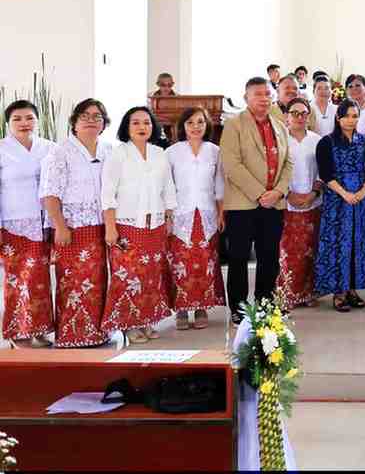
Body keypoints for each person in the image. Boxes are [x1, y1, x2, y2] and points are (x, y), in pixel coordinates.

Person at [100, 106, 177, 344]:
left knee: (151, 276)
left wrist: (169, 219)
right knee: (128, 276)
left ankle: (147, 320)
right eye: (136, 123)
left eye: (147, 122)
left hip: (155, 226)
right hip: (127, 226)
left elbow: (169, 188)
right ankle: (129, 324)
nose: (142, 127)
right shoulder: (118, 154)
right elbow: (107, 193)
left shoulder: (159, 153)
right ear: (127, 127)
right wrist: (110, 227)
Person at [220, 77, 294, 324]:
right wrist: (260, 193)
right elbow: (232, 164)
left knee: (269, 257)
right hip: (243, 203)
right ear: (246, 97)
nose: (264, 98)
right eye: (258, 94)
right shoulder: (234, 124)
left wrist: (278, 192)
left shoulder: (280, 125)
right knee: (239, 257)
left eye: (267, 94)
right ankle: (239, 308)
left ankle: (265, 303)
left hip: (274, 204)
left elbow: (288, 163)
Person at [40, 99, 112, 348]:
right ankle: (72, 335)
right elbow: (50, 193)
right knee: (72, 282)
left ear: (104, 123)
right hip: (72, 228)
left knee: (98, 280)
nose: (91, 120)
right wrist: (59, 226)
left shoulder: (108, 150)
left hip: (100, 226)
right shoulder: (60, 152)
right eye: (85, 116)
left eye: (97, 116)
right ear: (74, 122)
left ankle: (97, 333)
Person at [0, 101, 56, 347]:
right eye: (17, 119)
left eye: (29, 118)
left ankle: (39, 330)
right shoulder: (2, 149)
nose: (24, 123)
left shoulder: (50, 148)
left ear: (37, 120)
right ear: (8, 123)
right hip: (13, 223)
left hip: (43, 222)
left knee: (39, 279)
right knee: (17, 279)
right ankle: (17, 331)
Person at [166, 107, 226, 331]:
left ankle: (202, 307)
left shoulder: (215, 151)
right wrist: (168, 215)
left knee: (205, 262)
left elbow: (220, 184)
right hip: (181, 215)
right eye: (190, 122)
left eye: (200, 122)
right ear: (183, 126)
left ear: (207, 125)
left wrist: (221, 213)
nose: (195, 127)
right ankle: (181, 309)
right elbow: (167, 186)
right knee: (180, 263)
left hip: (207, 214)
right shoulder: (171, 152)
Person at [316, 99, 365, 312]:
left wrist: (363, 191)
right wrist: (345, 194)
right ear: (338, 117)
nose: (351, 120)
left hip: (360, 200)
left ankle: (353, 289)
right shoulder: (326, 142)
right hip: (337, 201)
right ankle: (339, 292)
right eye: (347, 116)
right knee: (337, 244)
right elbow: (325, 173)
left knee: (357, 243)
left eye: (355, 116)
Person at [276, 97, 324, 309]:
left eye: (303, 113)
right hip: (287, 203)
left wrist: (313, 193)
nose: (299, 117)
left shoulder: (317, 140)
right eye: (294, 113)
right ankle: (287, 294)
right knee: (288, 251)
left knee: (310, 249)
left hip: (313, 203)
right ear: (287, 116)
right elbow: (275, 172)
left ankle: (308, 292)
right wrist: (288, 194)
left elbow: (323, 171)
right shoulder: (280, 140)